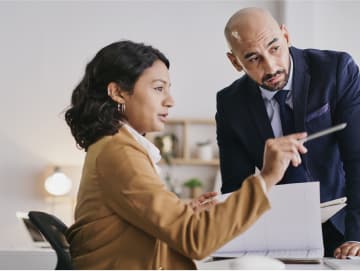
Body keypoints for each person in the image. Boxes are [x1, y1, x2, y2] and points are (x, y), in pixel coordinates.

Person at [64, 40, 308, 269]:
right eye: (159, 88)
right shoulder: (120, 152)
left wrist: (183, 211)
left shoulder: (115, 146)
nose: (170, 101)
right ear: (118, 92)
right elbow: (195, 239)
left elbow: (135, 223)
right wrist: (267, 177)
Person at [216, 7, 360, 258]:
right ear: (235, 61)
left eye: (274, 48)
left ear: (286, 36)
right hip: (289, 239)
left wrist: (359, 238)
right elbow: (236, 186)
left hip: (359, 226)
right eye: (253, 58)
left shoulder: (338, 70)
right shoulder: (230, 104)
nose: (271, 67)